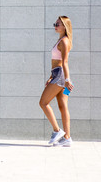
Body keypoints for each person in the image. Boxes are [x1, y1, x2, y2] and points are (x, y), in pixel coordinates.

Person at [39, 16, 74, 147]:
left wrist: (67, 80)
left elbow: (64, 62)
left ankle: (57, 130)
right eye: (55, 23)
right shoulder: (61, 40)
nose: (55, 26)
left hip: (60, 76)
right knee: (62, 105)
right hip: (58, 74)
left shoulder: (64, 41)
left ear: (65, 26)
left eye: (58, 24)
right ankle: (67, 138)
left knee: (43, 102)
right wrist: (50, 77)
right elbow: (57, 62)